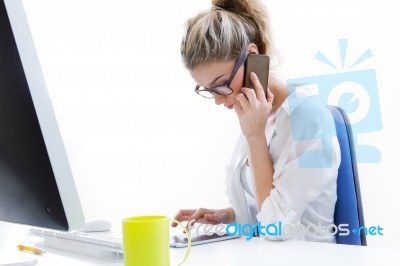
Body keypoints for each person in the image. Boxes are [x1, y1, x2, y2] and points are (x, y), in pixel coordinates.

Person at [172, 0, 341, 243]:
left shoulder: (308, 116)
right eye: (209, 90)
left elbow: (276, 228)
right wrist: (227, 217)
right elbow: (263, 212)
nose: (219, 101)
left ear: (252, 57)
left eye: (221, 85)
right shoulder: (257, 115)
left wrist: (254, 135)